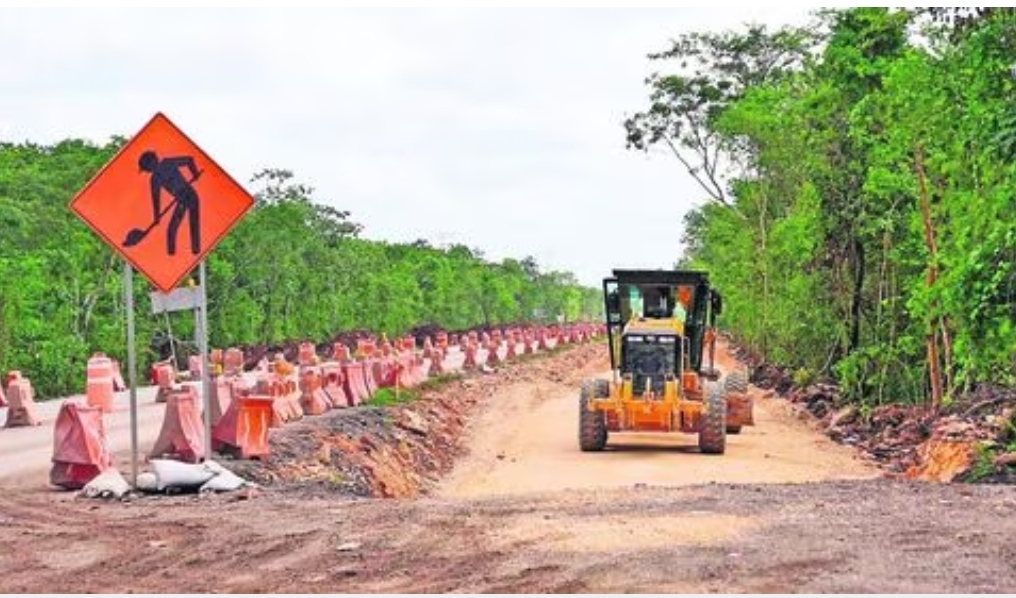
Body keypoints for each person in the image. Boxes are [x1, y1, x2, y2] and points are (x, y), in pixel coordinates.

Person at [138, 150, 202, 256]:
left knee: (191, 225)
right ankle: (174, 254)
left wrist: (195, 174)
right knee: (172, 229)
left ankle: (195, 252)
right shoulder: (156, 177)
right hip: (184, 199)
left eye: (146, 168)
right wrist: (157, 217)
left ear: (150, 165)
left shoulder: (165, 166)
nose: (148, 171)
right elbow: (156, 199)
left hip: (189, 196)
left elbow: (189, 160)